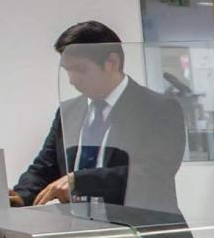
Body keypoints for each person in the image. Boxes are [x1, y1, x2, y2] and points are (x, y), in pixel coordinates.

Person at [10, 19, 184, 215]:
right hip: (84, 232)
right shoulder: (68, 112)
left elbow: (154, 172)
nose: (72, 80)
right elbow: (44, 168)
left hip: (144, 231)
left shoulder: (157, 108)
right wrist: (22, 195)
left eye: (81, 70)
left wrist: (81, 181)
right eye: (67, 70)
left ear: (112, 63)